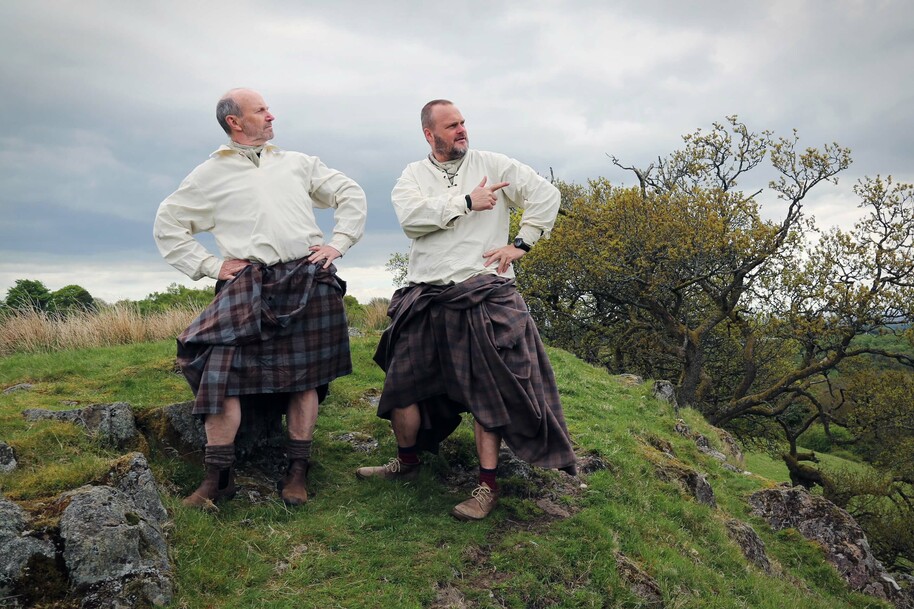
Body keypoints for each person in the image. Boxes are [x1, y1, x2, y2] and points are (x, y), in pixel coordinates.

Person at [356, 99, 575, 520]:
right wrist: (466, 202)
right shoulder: (412, 176)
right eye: (451, 125)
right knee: (402, 385)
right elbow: (411, 219)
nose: (461, 130)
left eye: (462, 123)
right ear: (429, 134)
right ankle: (407, 462)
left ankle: (486, 487)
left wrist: (522, 243)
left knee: (486, 392)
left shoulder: (495, 164)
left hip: (484, 290)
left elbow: (546, 195)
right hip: (426, 293)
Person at [154, 88, 366, 509]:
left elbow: (350, 193)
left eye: (268, 109)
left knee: (304, 379)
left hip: (307, 278)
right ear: (235, 122)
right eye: (261, 111)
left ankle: (297, 472)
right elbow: (168, 224)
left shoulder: (298, 163)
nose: (272, 116)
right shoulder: (208, 175)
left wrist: (338, 243)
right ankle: (217, 479)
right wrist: (210, 266)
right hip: (246, 285)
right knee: (220, 374)